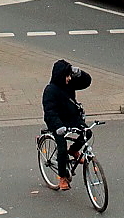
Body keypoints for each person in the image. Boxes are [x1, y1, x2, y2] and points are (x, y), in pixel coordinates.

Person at [42, 58, 93, 191]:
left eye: (70, 75)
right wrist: (58, 126)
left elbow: (87, 82)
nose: (69, 78)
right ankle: (62, 177)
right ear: (60, 76)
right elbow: (50, 111)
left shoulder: (69, 84)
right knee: (62, 146)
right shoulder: (50, 91)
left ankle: (74, 150)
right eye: (67, 75)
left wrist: (80, 73)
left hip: (71, 117)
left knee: (87, 132)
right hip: (57, 121)